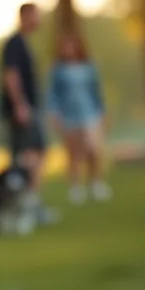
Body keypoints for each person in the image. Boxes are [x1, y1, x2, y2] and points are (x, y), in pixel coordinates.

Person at [0, 3, 54, 222]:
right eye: (35, 16)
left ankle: (26, 205)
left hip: (27, 109)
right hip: (23, 111)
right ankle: (27, 205)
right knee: (30, 156)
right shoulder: (15, 44)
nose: (38, 20)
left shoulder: (23, 43)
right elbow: (10, 75)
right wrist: (20, 105)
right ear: (24, 16)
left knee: (26, 157)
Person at [46, 28, 112, 204]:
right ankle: (75, 187)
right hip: (69, 115)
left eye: (71, 45)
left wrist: (103, 112)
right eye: (64, 46)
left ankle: (96, 183)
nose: (68, 49)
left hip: (89, 113)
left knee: (94, 149)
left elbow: (96, 91)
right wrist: (53, 114)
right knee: (73, 152)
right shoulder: (58, 70)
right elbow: (53, 95)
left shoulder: (88, 67)